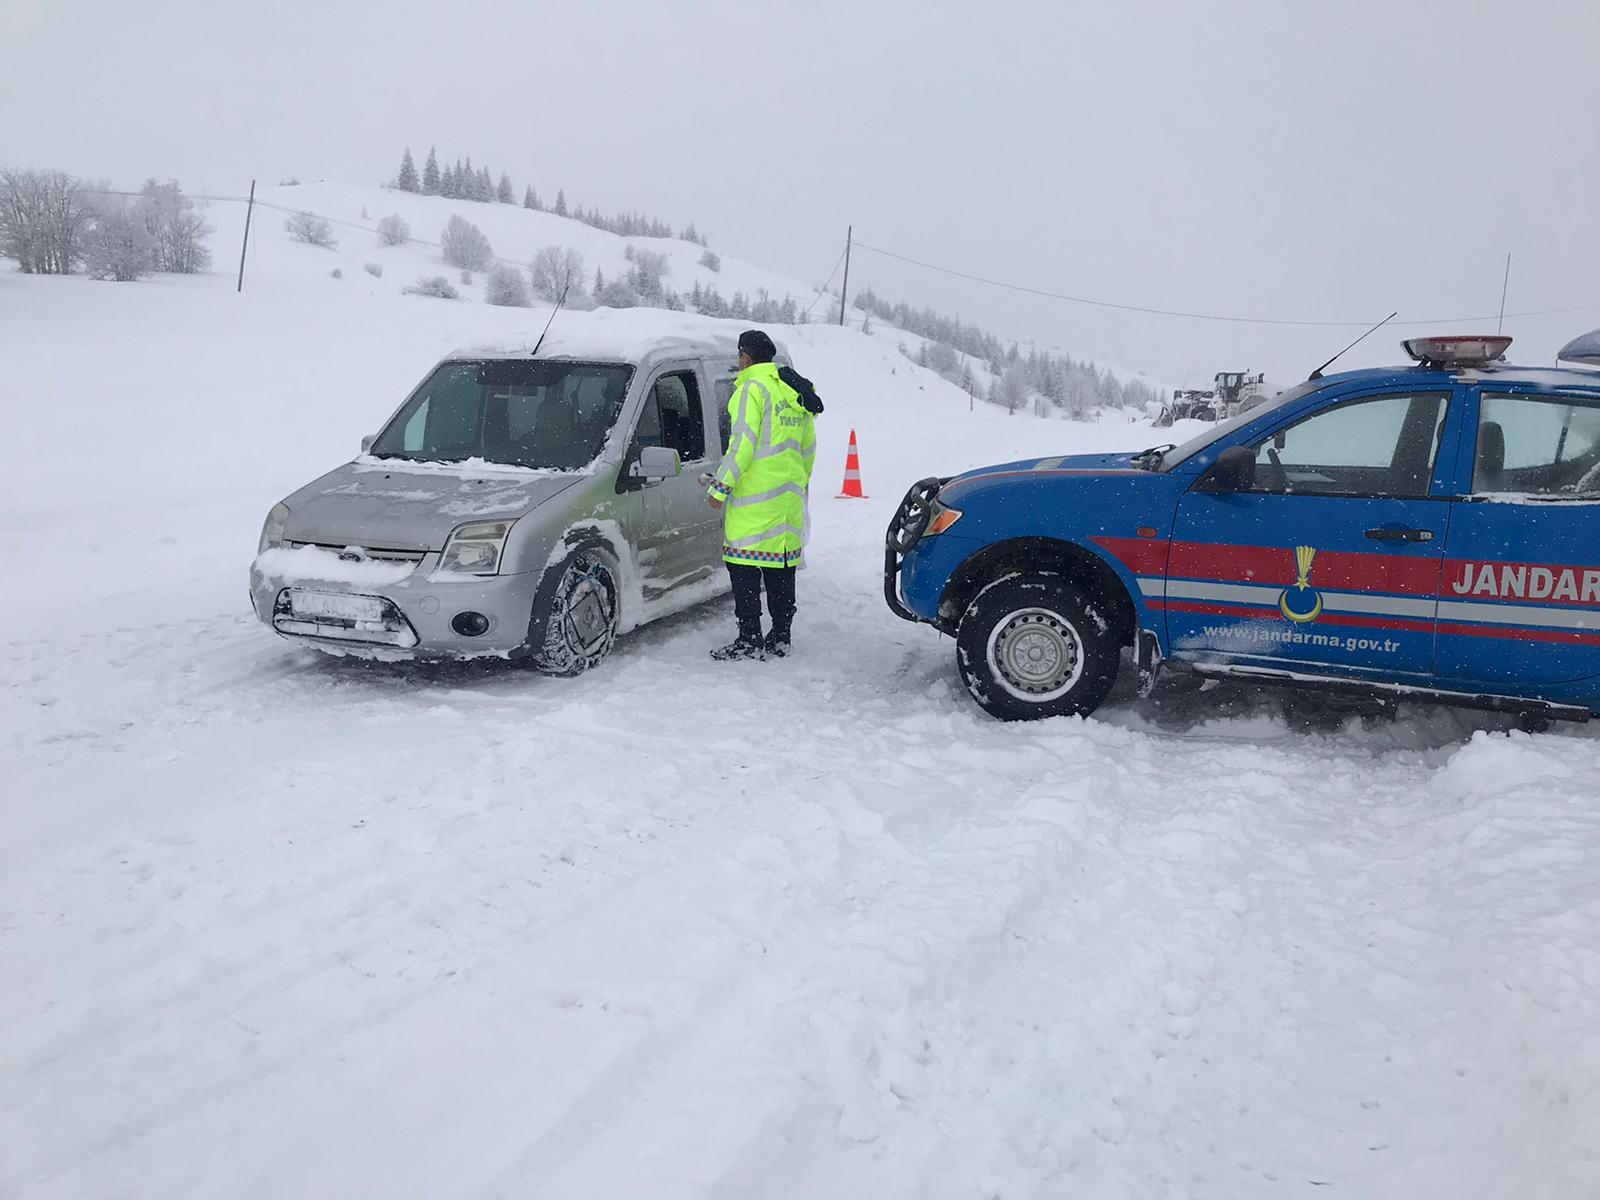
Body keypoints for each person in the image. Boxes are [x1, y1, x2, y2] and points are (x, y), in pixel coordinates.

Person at [707, 329, 818, 660]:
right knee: (781, 571)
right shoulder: (791, 389)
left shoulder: (750, 390)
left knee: (742, 569)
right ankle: (781, 637)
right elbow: (808, 448)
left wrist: (720, 488)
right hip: (787, 502)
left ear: (745, 357)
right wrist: (798, 483)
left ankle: (749, 638)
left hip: (754, 503)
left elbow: (742, 443)